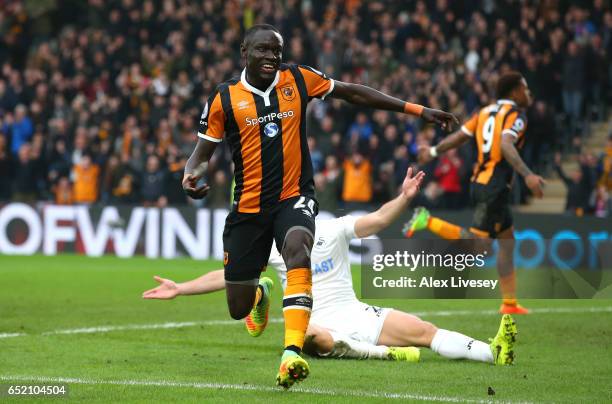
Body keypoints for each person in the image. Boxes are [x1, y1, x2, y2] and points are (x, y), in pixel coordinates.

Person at [181, 24, 458, 388]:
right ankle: (260, 293)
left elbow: (354, 94)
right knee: (238, 307)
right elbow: (202, 154)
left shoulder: (298, 79)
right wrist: (190, 175)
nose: (272, 57)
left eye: (277, 51)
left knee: (298, 249)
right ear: (244, 53)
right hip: (248, 208)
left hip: (294, 197)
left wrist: (418, 110)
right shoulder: (224, 98)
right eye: (263, 50)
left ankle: (291, 354)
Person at [145, 168, 517, 367]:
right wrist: (181, 288)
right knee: (306, 336)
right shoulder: (273, 246)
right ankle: (383, 354)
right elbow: (227, 277)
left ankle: (492, 352)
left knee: (423, 330)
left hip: (354, 312)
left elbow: (377, 220)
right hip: (312, 320)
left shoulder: (334, 229)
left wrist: (403, 198)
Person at [406, 72, 546, 315]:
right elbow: (505, 143)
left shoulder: (484, 112)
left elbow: (461, 136)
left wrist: (434, 152)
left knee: (507, 241)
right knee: (479, 247)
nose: (529, 93)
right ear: (514, 92)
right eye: (525, 88)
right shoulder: (516, 115)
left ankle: (509, 304)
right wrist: (528, 175)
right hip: (494, 186)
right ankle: (426, 220)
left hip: (482, 183)